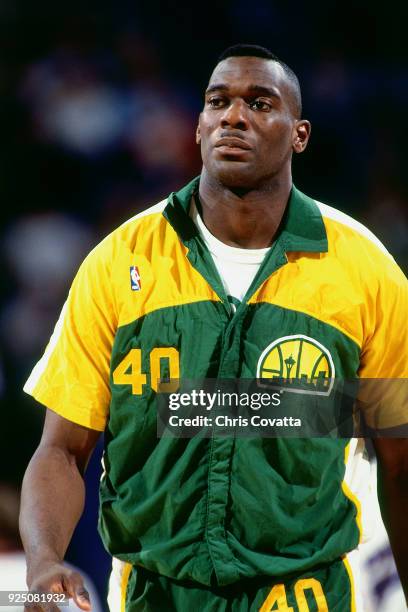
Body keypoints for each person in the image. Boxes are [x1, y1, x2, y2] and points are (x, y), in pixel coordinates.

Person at [20, 44, 407, 611]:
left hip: (305, 594)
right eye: (217, 102)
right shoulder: (117, 261)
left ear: (299, 134)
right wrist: (44, 559)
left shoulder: (365, 270)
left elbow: (400, 462)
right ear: (199, 128)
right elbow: (60, 451)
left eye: (259, 102)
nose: (233, 115)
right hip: (152, 593)